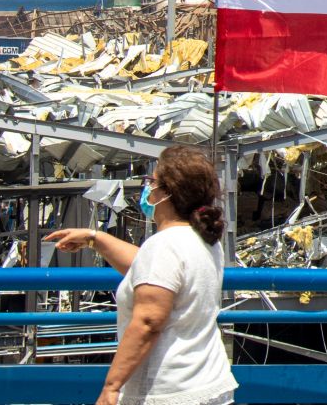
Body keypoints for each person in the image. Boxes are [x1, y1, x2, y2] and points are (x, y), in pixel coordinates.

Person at [46, 145, 236, 405]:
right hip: (208, 382)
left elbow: (148, 321)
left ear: (166, 193)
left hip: (170, 392)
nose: (148, 188)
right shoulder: (204, 241)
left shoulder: (164, 246)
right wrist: (95, 238)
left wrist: (112, 387)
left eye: (152, 181)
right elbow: (148, 271)